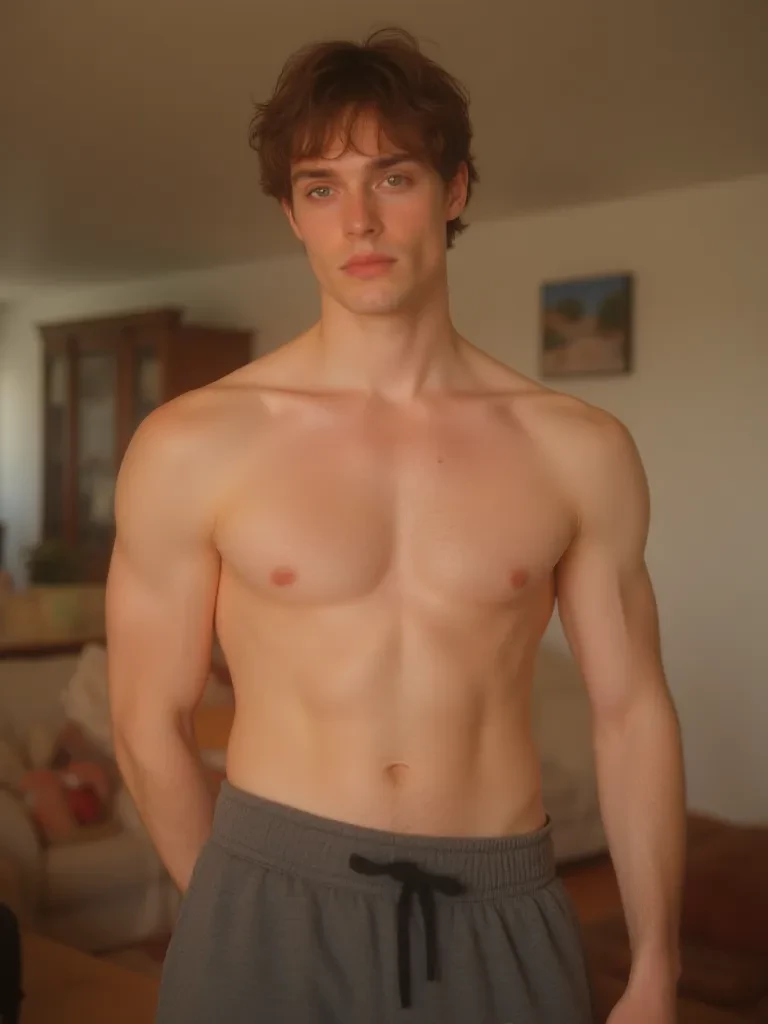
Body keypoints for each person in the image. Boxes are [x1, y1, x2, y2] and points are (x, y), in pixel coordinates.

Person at [106, 26, 686, 1024]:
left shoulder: (577, 449)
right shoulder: (192, 443)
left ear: (454, 189)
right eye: (322, 187)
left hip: (499, 907)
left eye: (394, 176)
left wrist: (657, 968)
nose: (360, 221)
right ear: (292, 213)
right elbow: (145, 717)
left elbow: (631, 712)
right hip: (263, 896)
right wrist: (230, 911)